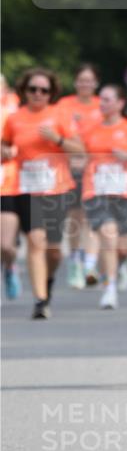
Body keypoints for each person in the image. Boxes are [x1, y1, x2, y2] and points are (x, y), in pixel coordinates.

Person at [1, 68, 83, 319]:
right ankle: (40, 300)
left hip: (55, 188)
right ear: (24, 91)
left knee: (54, 251)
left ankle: (47, 283)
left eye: (43, 90)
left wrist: (58, 139)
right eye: (33, 89)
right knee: (35, 243)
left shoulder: (60, 115)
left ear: (51, 93)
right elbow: (5, 142)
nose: (38, 94)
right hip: (24, 187)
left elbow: (79, 149)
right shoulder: (15, 118)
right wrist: (5, 151)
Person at [80, 85, 127, 310]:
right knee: (108, 237)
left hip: (126, 193)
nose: (102, 103)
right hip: (96, 190)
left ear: (120, 103)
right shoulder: (90, 130)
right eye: (101, 99)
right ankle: (109, 288)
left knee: (123, 249)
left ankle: (116, 268)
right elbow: (80, 156)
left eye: (108, 100)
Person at [57, 63, 102, 288]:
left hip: (96, 168)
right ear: (75, 82)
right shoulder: (64, 105)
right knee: (76, 217)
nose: (85, 84)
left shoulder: (101, 105)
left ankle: (90, 264)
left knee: (93, 217)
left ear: (96, 83)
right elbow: (58, 133)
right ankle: (75, 259)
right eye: (81, 80)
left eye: (89, 80)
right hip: (72, 167)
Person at [1, 74, 22, 299]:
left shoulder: (13, 116)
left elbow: (21, 145)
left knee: (6, 246)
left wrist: (10, 150)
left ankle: (9, 266)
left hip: (7, 185)